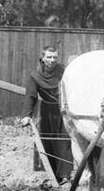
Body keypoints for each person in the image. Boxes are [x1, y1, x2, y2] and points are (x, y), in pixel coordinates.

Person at [19, 45, 72, 182]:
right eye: (49, 57)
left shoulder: (65, 72)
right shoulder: (35, 76)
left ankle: (65, 175)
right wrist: (26, 115)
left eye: (55, 57)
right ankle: (52, 174)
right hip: (46, 111)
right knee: (47, 141)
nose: (52, 60)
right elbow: (30, 96)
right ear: (42, 58)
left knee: (64, 142)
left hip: (63, 111)